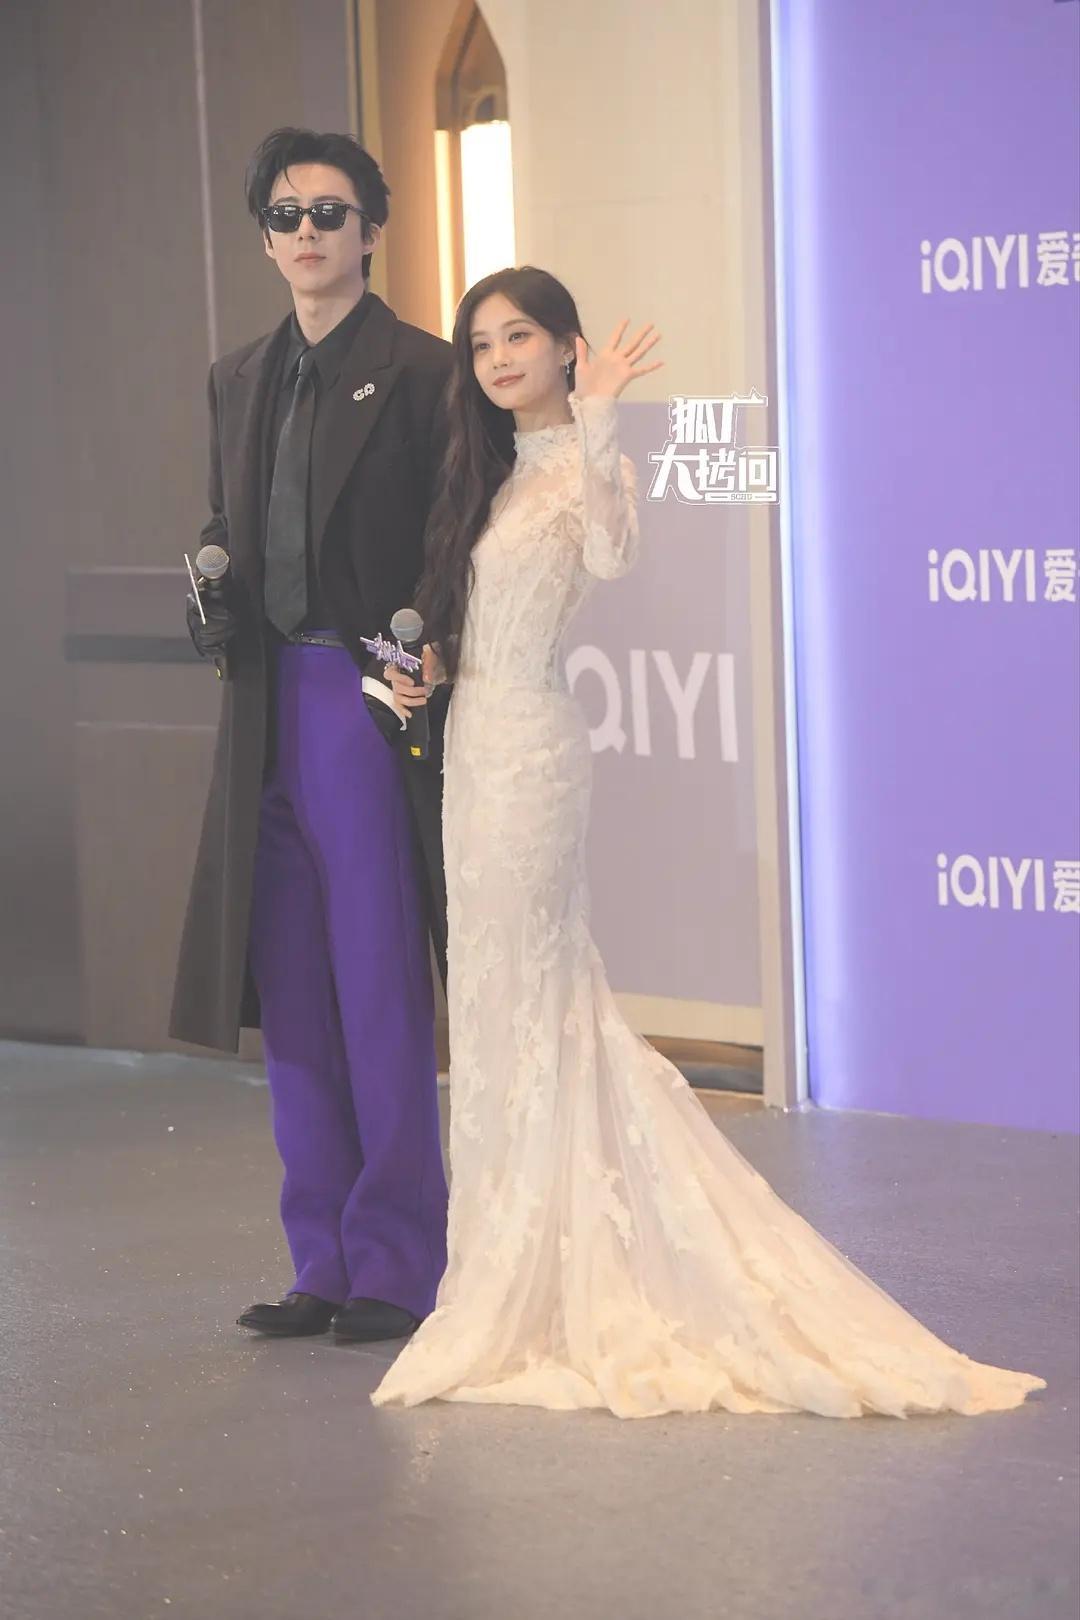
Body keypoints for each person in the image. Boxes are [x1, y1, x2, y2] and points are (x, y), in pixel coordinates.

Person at [370, 266, 1045, 1419]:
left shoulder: (585, 466)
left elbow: (613, 555)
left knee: (539, 995)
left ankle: (554, 1266)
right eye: (481, 344)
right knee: (491, 1001)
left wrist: (602, 421)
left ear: (568, 347)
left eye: (519, 336)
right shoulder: (485, 475)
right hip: (470, 748)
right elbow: (481, 618)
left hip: (531, 758)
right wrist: (427, 673)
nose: (497, 359)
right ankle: (510, 1263)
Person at [169, 128, 452, 1345]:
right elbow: (225, 528)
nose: (306, 234)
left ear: (372, 231)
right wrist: (207, 595)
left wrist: (428, 655)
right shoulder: (237, 376)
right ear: (265, 237)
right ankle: (320, 1259)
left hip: (361, 694)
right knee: (291, 989)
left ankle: (396, 1260)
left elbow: (451, 545)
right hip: (265, 703)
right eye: (285, 215)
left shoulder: (426, 372)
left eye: (330, 213)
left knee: (377, 981)